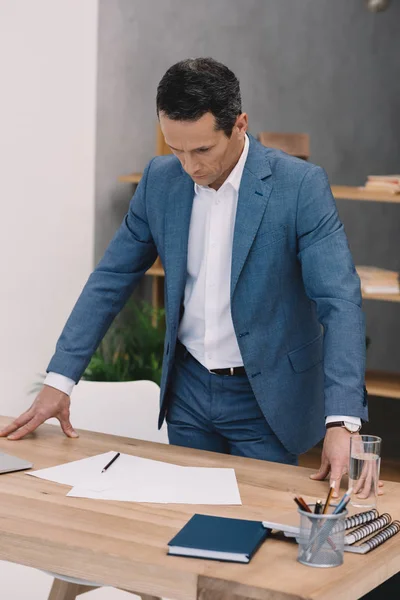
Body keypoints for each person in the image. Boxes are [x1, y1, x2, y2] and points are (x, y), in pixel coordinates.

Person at [0, 58, 369, 497]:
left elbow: (340, 300)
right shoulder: (160, 180)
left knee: (261, 531)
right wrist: (59, 382)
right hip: (189, 393)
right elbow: (110, 280)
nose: (190, 166)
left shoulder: (299, 186)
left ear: (239, 125)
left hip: (266, 396)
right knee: (189, 524)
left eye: (202, 151)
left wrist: (343, 419)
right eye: (177, 150)